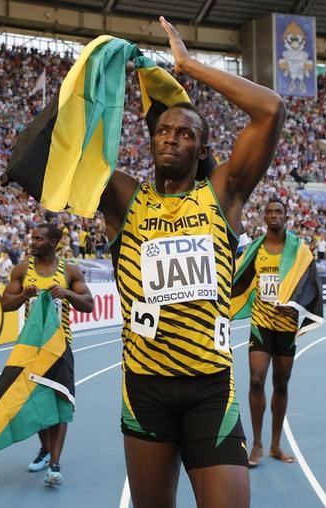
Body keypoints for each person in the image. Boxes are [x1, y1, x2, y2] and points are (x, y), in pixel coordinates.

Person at [97, 16, 285, 508]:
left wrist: (188, 66)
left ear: (202, 148)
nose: (172, 137)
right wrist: (103, 74)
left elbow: (270, 110)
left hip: (209, 390)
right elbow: (69, 152)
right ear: (151, 141)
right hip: (145, 389)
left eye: (185, 132)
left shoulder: (223, 194)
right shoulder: (123, 199)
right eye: (163, 129)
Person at [1, 223, 93, 486]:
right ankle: (45, 450)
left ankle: (55, 463)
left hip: (60, 349)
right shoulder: (22, 270)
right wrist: (22, 297)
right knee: (35, 405)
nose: (33, 242)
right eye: (32, 237)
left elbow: (89, 304)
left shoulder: (69, 271)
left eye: (39, 238)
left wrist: (66, 293)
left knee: (60, 404)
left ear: (53, 243)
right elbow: (5, 304)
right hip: (31, 349)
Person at [242, 199, 319, 467]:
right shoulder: (256, 249)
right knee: (255, 380)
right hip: (261, 323)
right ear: (264, 217)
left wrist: (296, 307)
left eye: (279, 212)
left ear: (286, 217)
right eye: (270, 211)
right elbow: (238, 276)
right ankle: (257, 444)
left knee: (281, 384)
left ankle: (275, 444)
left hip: (286, 327)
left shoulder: (299, 251)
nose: (274, 215)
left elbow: (311, 287)